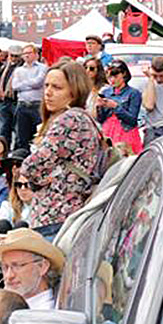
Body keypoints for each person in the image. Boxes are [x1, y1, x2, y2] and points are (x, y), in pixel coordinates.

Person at [19, 60, 101, 238]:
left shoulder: (69, 120)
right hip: (68, 213)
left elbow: (29, 167)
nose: (48, 92)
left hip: (56, 215)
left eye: (57, 87)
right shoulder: (85, 118)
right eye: (46, 85)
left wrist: (38, 180)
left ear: (74, 92)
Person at [96, 60, 142, 154]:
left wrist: (116, 107)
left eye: (116, 76)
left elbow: (132, 120)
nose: (112, 80)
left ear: (124, 74)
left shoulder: (133, 93)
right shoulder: (106, 92)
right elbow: (100, 119)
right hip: (108, 132)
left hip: (126, 133)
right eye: (110, 77)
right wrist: (99, 107)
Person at [10, 44, 46, 150]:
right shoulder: (18, 70)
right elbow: (15, 86)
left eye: (29, 53)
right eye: (24, 53)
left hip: (37, 105)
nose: (26, 55)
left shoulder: (42, 68)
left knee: (39, 133)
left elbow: (38, 82)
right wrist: (31, 84)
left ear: (36, 54)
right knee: (22, 135)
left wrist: (23, 84)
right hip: (22, 105)